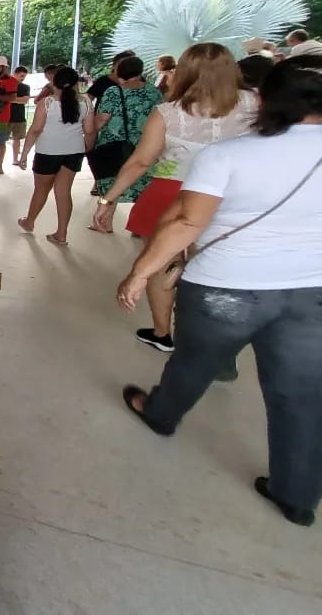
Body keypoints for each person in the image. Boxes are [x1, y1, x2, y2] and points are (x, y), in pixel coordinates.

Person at [117, 54, 322, 528]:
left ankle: (161, 415)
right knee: (302, 395)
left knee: (193, 362)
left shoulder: (230, 155)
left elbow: (188, 221)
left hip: (227, 285)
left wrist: (140, 273)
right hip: (311, 289)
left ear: (266, 98)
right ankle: (297, 496)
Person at [93, 43, 259, 355]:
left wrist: (108, 200)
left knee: (163, 262)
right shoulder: (253, 104)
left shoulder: (169, 113)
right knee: (212, 266)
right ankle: (210, 338)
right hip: (229, 197)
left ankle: (162, 332)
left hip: (171, 193)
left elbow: (141, 161)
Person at [17, 67, 92, 245]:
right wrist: (89, 148)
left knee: (41, 190)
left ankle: (29, 221)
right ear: (76, 83)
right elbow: (89, 131)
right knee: (64, 192)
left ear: (53, 82)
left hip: (48, 152)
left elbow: (35, 130)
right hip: (74, 152)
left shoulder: (47, 103)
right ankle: (62, 233)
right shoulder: (86, 102)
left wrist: (24, 153)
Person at [87, 55, 164, 206]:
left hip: (114, 145)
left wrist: (91, 133)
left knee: (112, 182)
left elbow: (102, 118)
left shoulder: (114, 92)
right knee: (141, 183)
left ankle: (105, 219)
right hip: (146, 144)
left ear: (119, 71)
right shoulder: (154, 92)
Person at [10, 66, 33, 167]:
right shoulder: (8, 85)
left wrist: (11, 99)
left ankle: (15, 159)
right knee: (0, 140)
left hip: (19, 116)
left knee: (17, 139)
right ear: (15, 73)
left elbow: (25, 100)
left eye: (24, 76)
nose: (23, 78)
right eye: (21, 75)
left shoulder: (25, 87)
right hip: (6, 116)